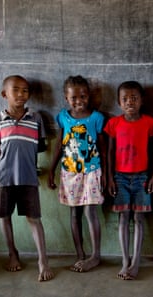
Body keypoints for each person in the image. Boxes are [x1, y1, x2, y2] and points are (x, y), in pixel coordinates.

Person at [0, 75, 54, 282]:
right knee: (5, 216)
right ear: (4, 94)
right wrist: (1, 151)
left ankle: (43, 260)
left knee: (34, 218)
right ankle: (12, 254)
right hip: (5, 177)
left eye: (25, 90)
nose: (21, 94)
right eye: (15, 90)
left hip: (28, 177)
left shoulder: (35, 118)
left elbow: (40, 146)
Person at [48, 75, 105, 272]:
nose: (79, 101)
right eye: (74, 98)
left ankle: (95, 255)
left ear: (88, 96)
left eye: (83, 96)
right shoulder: (63, 117)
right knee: (74, 213)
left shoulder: (96, 118)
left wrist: (105, 174)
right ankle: (80, 254)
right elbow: (59, 145)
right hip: (69, 172)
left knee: (90, 211)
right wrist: (51, 170)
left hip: (91, 171)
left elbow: (103, 148)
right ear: (66, 98)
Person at [104, 81, 153, 280]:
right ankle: (125, 261)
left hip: (142, 177)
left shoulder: (149, 123)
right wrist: (109, 178)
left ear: (142, 100)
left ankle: (136, 262)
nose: (130, 102)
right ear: (119, 102)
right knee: (123, 218)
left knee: (139, 218)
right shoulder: (114, 124)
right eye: (125, 99)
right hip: (120, 177)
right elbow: (109, 153)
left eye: (134, 98)